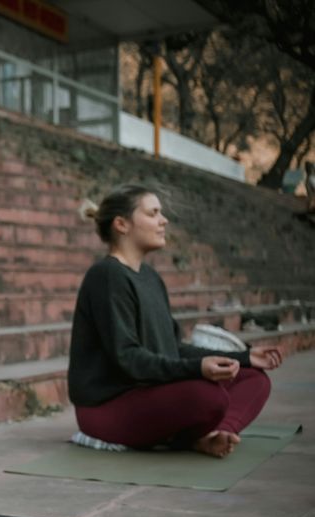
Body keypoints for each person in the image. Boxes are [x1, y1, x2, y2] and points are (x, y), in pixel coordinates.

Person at [68, 185, 284, 458]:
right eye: (153, 213)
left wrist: (244, 357)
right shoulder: (107, 276)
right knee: (209, 397)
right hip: (106, 408)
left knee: (254, 379)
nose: (164, 220)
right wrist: (197, 369)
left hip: (149, 395)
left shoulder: (150, 277)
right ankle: (193, 436)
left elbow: (174, 348)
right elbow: (129, 359)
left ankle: (218, 434)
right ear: (122, 224)